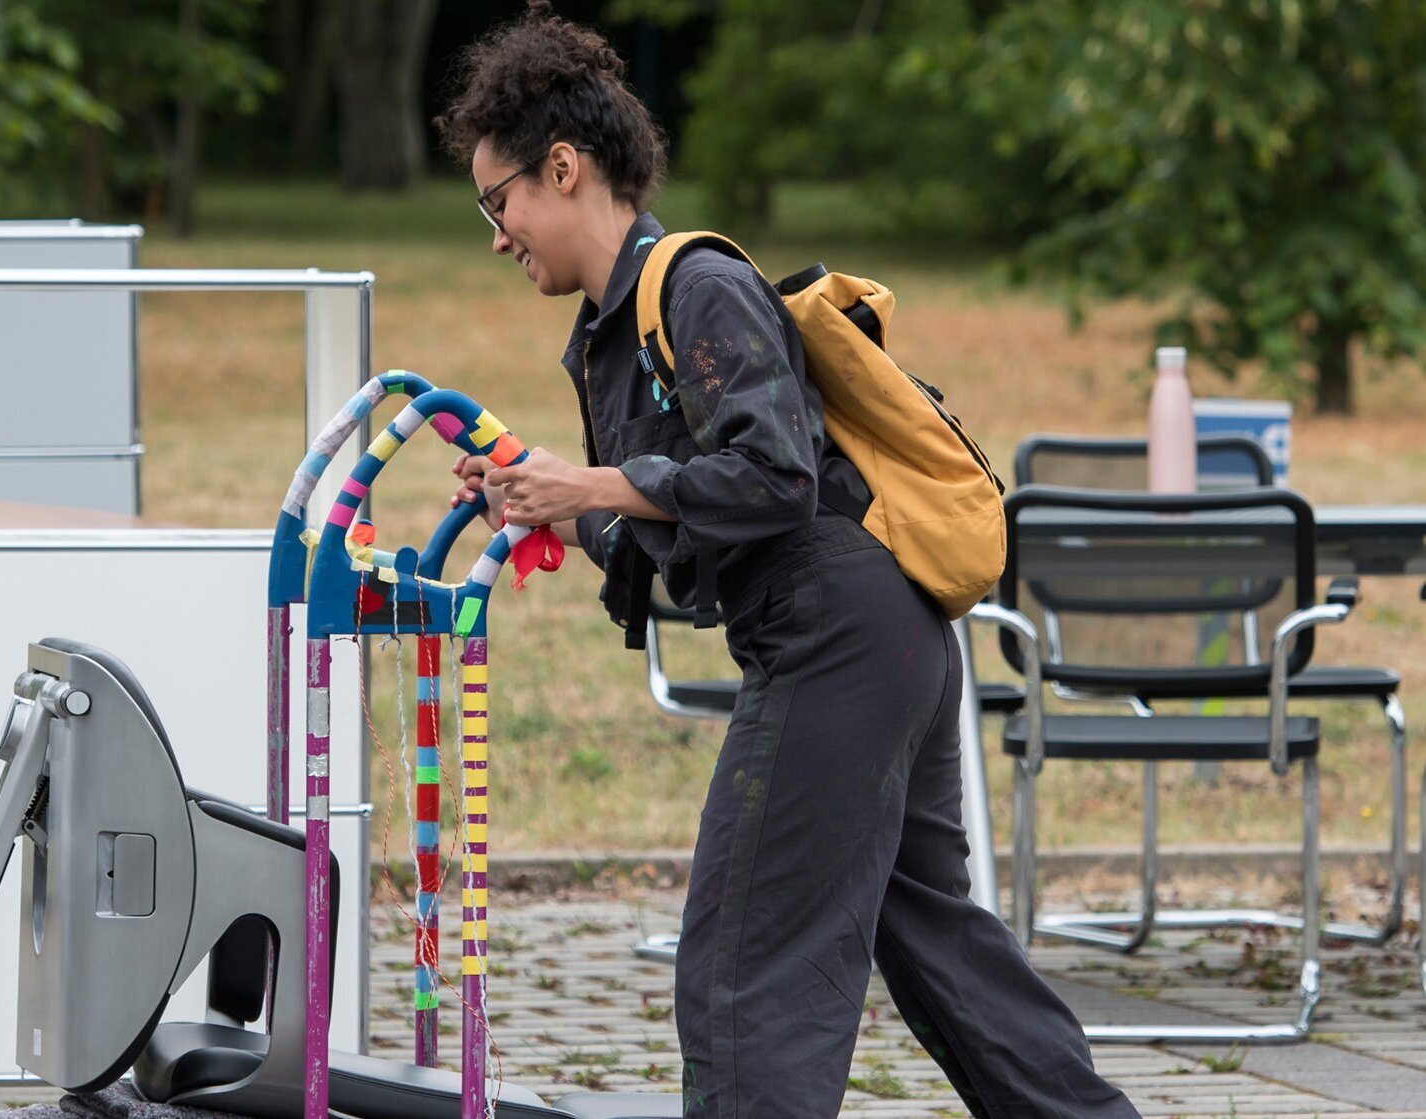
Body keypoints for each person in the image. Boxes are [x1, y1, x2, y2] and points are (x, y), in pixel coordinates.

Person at [433, 6, 1142, 1118]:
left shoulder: (695, 284)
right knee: (931, 940)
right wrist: (539, 501)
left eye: (498, 201)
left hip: (838, 633)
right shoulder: (613, 334)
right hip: (878, 634)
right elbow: (677, 529)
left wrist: (597, 483)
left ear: (562, 169)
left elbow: (773, 478)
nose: (496, 235)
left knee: (742, 960)